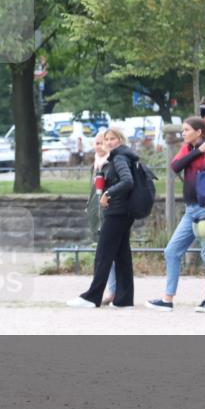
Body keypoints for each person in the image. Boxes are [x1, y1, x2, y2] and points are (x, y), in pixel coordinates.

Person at [146, 117, 205, 313]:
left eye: (186, 130)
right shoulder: (189, 148)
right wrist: (197, 151)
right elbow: (175, 166)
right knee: (171, 251)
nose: (183, 133)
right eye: (182, 130)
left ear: (198, 132)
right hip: (191, 210)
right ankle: (168, 300)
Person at [68, 127, 138, 308]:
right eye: (106, 139)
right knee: (122, 256)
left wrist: (108, 193)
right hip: (124, 212)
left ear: (120, 140)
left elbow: (128, 181)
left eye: (112, 139)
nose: (108, 142)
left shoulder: (119, 158)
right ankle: (124, 300)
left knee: (103, 255)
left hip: (117, 212)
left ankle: (92, 297)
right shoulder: (123, 156)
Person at [83, 129, 116, 303]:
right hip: (97, 214)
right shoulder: (95, 165)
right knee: (105, 252)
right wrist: (89, 207)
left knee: (109, 253)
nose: (99, 146)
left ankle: (113, 290)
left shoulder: (111, 164)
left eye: (102, 143)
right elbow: (92, 191)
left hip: (109, 213)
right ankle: (112, 290)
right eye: (96, 143)